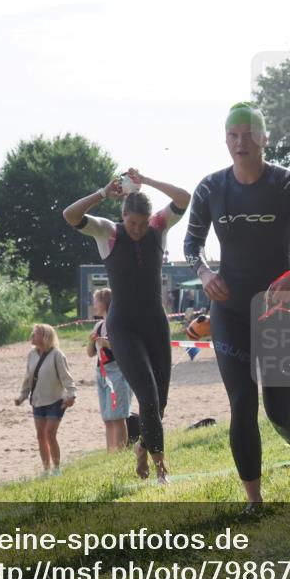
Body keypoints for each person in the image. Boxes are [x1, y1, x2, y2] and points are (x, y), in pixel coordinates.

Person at [184, 102, 290, 506]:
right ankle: (255, 501)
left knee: (278, 411)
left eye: (250, 134)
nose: (241, 142)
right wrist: (204, 274)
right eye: (234, 135)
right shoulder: (210, 188)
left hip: (277, 310)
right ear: (225, 140)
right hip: (230, 308)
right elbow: (191, 244)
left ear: (265, 139)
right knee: (241, 403)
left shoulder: (288, 184)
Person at [64, 167, 189, 484]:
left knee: (160, 401)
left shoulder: (159, 228)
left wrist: (147, 181)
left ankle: (143, 449)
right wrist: (103, 193)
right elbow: (70, 214)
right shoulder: (110, 232)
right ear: (123, 216)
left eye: (142, 224)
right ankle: (162, 469)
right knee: (146, 394)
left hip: (155, 324)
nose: (137, 229)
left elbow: (183, 197)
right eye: (132, 222)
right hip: (123, 326)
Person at [15, 324, 77, 476]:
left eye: (35, 334)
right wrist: (22, 396)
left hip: (56, 401)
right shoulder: (31, 355)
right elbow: (28, 378)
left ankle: (56, 468)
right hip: (37, 401)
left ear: (45, 337)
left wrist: (72, 395)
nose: (31, 336)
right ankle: (46, 469)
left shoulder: (57, 355)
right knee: (40, 435)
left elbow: (67, 378)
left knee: (50, 433)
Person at [87, 287, 133, 452]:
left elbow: (125, 348)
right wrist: (91, 341)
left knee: (118, 416)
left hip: (118, 371)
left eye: (96, 301)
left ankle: (120, 454)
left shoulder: (118, 323)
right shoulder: (99, 325)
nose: (94, 304)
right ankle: (110, 453)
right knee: (107, 418)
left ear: (105, 302)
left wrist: (107, 343)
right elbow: (90, 353)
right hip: (102, 371)